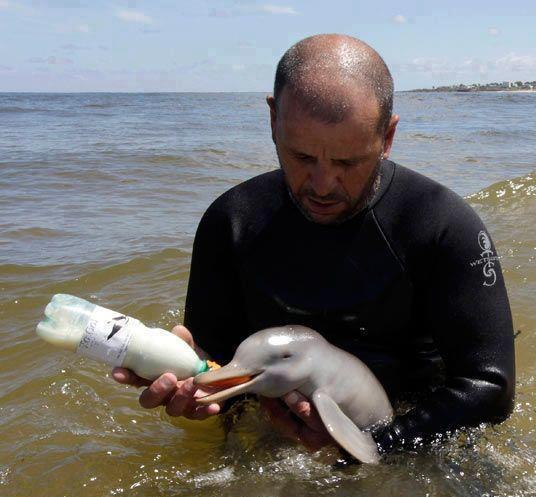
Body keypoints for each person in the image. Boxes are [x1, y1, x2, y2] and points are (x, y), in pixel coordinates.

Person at [113, 34, 515, 456]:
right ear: (273, 119)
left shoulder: (442, 226)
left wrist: (373, 446)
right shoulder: (231, 222)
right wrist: (193, 382)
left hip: (410, 441)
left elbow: (490, 389)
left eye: (347, 162)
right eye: (302, 156)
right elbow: (219, 371)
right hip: (280, 441)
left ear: (388, 135)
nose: (322, 186)